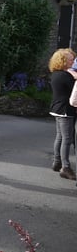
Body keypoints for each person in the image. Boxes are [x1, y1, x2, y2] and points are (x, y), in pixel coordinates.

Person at [48, 48, 77, 180]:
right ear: (63, 60)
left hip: (57, 108)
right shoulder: (65, 76)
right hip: (65, 110)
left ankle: (57, 162)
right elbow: (74, 89)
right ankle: (65, 167)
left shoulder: (56, 74)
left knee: (60, 136)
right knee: (67, 139)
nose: (73, 61)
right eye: (70, 59)